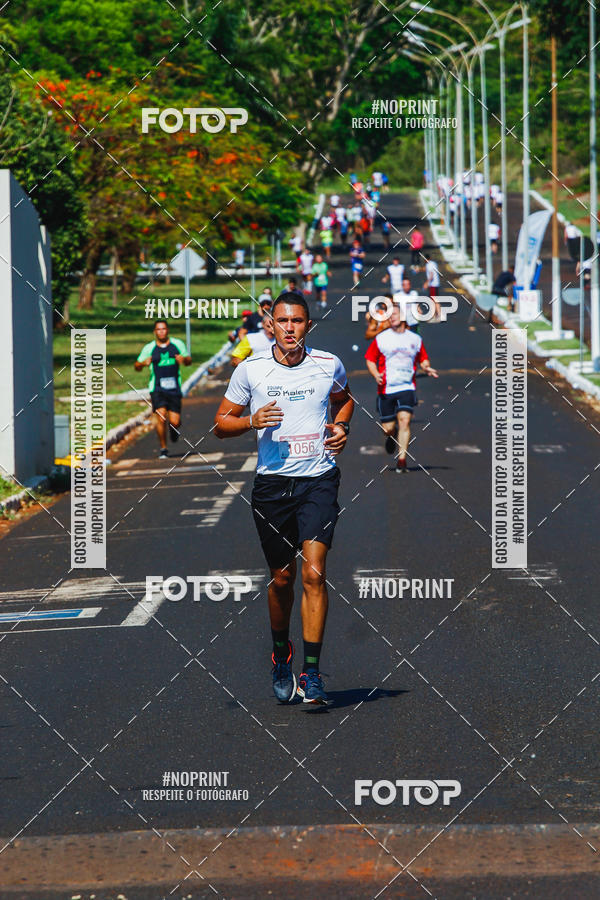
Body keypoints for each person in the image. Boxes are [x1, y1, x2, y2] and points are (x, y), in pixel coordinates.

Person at [214, 292, 354, 705]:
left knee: (313, 574)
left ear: (308, 325)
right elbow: (220, 424)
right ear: (270, 325)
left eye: (298, 321)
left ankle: (311, 674)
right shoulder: (250, 371)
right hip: (273, 487)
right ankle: (281, 653)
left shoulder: (328, 364)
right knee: (282, 579)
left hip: (318, 480)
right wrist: (250, 421)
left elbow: (343, 401)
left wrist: (341, 427)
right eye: (283, 321)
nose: (290, 328)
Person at [365, 303, 438, 473]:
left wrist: (426, 367)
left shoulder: (414, 339)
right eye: (389, 315)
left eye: (395, 314)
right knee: (388, 428)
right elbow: (370, 359)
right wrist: (376, 374)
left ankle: (402, 459)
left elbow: (423, 359)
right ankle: (391, 435)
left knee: (405, 421)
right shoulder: (381, 338)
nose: (392, 317)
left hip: (407, 386)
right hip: (386, 388)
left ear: (403, 316)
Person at [135, 320, 192, 458]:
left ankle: (174, 430)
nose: (161, 331)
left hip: (174, 388)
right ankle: (163, 448)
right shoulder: (149, 348)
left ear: (168, 330)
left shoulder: (177, 344)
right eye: (158, 329)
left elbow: (189, 360)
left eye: (164, 329)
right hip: (157, 388)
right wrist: (143, 363)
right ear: (155, 332)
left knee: (175, 421)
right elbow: (136, 366)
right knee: (160, 417)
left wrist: (183, 360)